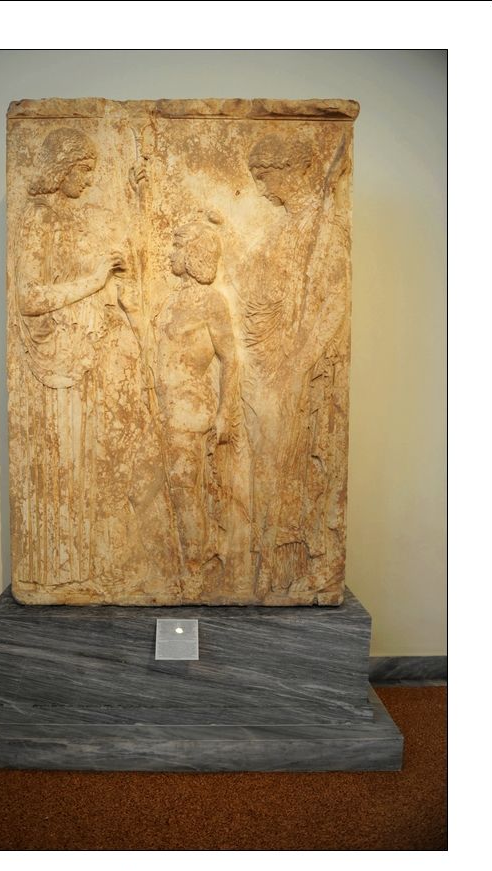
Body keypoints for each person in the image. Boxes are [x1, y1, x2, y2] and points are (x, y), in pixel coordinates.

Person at [11, 128, 172, 598]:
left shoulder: (73, 217)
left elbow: (114, 257)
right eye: (82, 170)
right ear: (61, 168)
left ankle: (91, 565)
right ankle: (62, 573)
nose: (86, 180)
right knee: (68, 467)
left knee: (95, 466)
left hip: (88, 358)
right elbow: (29, 298)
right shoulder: (36, 218)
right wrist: (95, 280)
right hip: (62, 367)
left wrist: (137, 199)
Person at [244, 131, 351, 600]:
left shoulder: (325, 225)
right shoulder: (284, 229)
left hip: (310, 375)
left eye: (265, 177)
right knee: (272, 470)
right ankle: (271, 572)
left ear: (289, 170)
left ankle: (307, 570)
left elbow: (334, 304)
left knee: (305, 471)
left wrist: (299, 362)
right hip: (273, 365)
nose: (262, 188)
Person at [153, 219, 240, 598]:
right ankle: (184, 559)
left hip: (189, 410)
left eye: (177, 247)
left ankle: (194, 569)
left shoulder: (211, 301)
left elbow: (230, 358)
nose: (170, 254)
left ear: (192, 255)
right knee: (175, 488)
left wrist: (225, 412)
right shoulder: (171, 301)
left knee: (185, 488)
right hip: (164, 408)